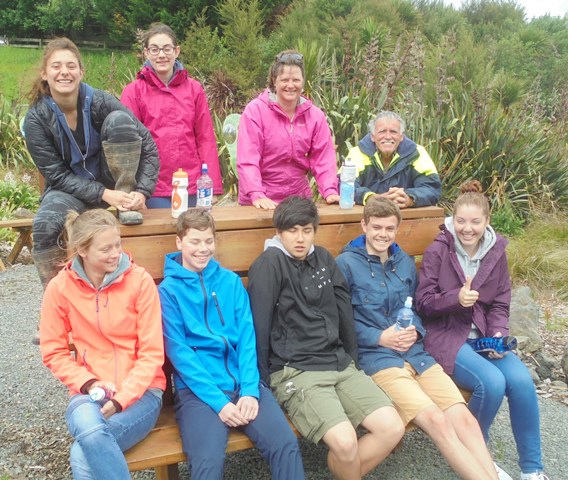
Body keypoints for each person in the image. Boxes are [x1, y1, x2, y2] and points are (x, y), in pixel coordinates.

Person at [336, 197, 502, 480]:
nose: (383, 234)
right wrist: (379, 337)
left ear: (397, 229)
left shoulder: (403, 262)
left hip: (416, 355)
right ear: (364, 225)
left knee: (465, 420)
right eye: (376, 227)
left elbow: (416, 307)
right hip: (379, 361)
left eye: (390, 228)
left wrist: (415, 329)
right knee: (437, 421)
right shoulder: (345, 265)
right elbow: (340, 322)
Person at [247, 196, 404, 480]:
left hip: (338, 363)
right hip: (297, 370)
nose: (300, 239)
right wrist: (264, 382)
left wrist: (352, 360)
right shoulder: (269, 264)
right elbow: (259, 325)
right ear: (279, 231)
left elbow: (343, 312)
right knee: (345, 443)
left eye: (307, 231)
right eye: (292, 231)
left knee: (392, 428)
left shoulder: (322, 258)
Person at [415, 181, 548, 480]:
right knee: (491, 383)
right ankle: (478, 457)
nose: (467, 228)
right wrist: (455, 298)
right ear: (453, 219)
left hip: (485, 338)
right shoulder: (439, 250)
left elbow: (500, 302)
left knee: (522, 382)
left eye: (475, 222)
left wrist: (498, 333)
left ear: (487, 221)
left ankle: (532, 469)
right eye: (461, 221)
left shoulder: (496, 252)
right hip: (447, 335)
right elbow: (423, 303)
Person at [158, 209, 304, 480]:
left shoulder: (231, 282)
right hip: (200, 393)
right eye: (194, 242)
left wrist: (250, 390)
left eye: (208, 241)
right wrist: (219, 403)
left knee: (285, 445)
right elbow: (180, 354)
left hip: (242, 382)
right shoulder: (168, 291)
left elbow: (247, 338)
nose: (203, 249)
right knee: (207, 464)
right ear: (179, 242)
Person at [23, 37, 159, 292]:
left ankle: (127, 202)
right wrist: (104, 194)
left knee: (119, 120)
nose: (64, 72)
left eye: (71, 66)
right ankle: (56, 300)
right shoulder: (36, 119)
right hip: (68, 191)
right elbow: (57, 176)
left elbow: (148, 145)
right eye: (56, 66)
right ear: (44, 73)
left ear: (81, 71)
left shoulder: (100, 101)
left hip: (115, 185)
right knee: (44, 224)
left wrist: (141, 191)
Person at [39, 209, 166, 479]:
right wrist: (89, 383)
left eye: (118, 244)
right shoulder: (60, 288)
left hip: (142, 394)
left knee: (82, 453)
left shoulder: (140, 282)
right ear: (82, 250)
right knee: (89, 429)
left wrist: (121, 400)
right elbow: (53, 351)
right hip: (88, 393)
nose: (115, 253)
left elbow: (152, 354)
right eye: (106, 249)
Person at [121, 23, 223, 208]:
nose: (161, 55)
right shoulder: (133, 92)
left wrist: (212, 186)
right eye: (155, 49)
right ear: (146, 53)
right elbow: (129, 145)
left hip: (192, 185)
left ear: (176, 51)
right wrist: (134, 190)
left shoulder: (194, 89)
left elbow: (205, 138)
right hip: (151, 188)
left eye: (167, 48)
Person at [237, 50, 339, 209]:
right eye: (285, 80)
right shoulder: (255, 111)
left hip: (298, 200)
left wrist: (329, 190)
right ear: (274, 81)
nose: (291, 85)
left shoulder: (315, 116)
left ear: (303, 82)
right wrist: (256, 193)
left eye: (296, 80)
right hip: (260, 200)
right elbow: (248, 159)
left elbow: (323, 158)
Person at [346, 110, 441, 207]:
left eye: (393, 132)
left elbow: (432, 188)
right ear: (373, 137)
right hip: (366, 213)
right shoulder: (357, 153)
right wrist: (371, 198)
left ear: (401, 136)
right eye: (382, 131)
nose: (388, 137)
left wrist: (409, 198)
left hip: (405, 214)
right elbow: (345, 186)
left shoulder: (417, 153)